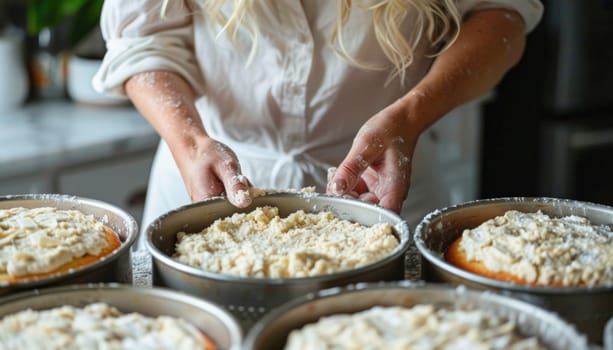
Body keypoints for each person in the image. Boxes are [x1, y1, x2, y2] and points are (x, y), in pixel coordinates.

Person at [94, 0, 543, 240]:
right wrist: (190, 144)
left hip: (385, 191)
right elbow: (141, 39)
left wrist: (410, 115)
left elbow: (501, 18)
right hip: (205, 189)